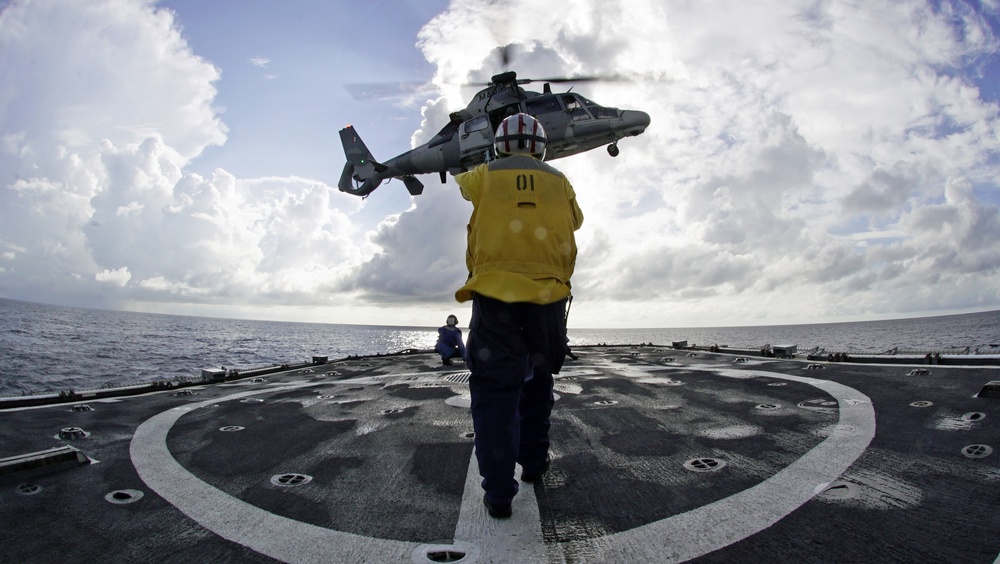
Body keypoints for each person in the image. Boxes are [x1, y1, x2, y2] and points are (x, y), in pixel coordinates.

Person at [453, 113, 584, 519]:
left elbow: (463, 187)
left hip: (495, 298)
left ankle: (498, 495)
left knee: (494, 395)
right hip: (547, 300)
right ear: (541, 146)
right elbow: (576, 220)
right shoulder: (560, 182)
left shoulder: (484, 175)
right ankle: (533, 464)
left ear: (500, 145)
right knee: (538, 383)